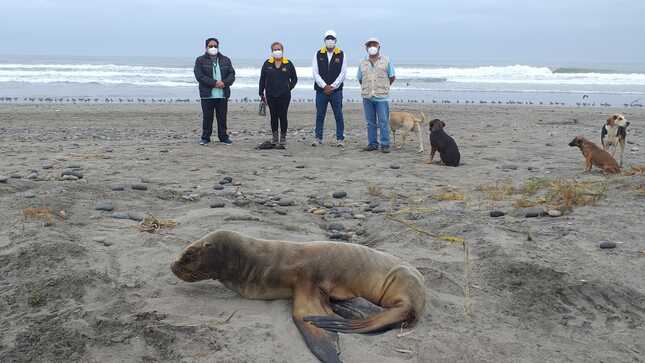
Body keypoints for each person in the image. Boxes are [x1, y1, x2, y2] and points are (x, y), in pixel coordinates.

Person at [194, 37, 236, 146]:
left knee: (222, 117)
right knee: (207, 117)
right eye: (211, 46)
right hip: (207, 95)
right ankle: (205, 138)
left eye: (215, 46)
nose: (213, 48)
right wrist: (214, 83)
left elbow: (232, 74)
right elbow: (199, 76)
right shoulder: (200, 60)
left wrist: (224, 83)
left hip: (222, 94)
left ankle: (223, 137)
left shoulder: (226, 60)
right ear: (206, 47)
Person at [357, 37, 396, 153]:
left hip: (381, 97)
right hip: (367, 97)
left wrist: (383, 87)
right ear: (366, 48)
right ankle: (372, 143)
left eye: (374, 44)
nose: (372, 47)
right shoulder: (362, 63)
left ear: (379, 46)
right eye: (369, 45)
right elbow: (360, 79)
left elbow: (392, 77)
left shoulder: (386, 61)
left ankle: (385, 144)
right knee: (370, 122)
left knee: (383, 121)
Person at [258, 42, 298, 149]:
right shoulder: (267, 64)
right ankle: (275, 138)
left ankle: (283, 138)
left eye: (279, 49)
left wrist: (288, 87)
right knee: (273, 116)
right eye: (275, 49)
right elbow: (262, 79)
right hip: (270, 95)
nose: (277, 51)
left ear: (282, 50)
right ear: (272, 51)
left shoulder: (288, 63)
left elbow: (294, 79)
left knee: (283, 116)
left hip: (284, 95)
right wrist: (261, 93)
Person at [312, 30, 347, 147]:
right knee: (320, 115)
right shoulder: (318, 53)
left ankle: (340, 138)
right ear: (324, 40)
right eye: (328, 38)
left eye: (332, 38)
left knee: (338, 115)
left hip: (336, 91)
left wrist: (333, 86)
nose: (330, 40)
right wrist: (324, 86)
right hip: (321, 91)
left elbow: (343, 73)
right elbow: (315, 73)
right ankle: (318, 138)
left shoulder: (341, 54)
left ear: (336, 41)